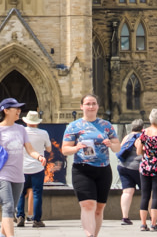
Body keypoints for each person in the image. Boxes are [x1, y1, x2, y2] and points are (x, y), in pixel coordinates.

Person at [60, 95, 121, 237]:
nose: (91, 106)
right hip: (82, 169)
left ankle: (94, 234)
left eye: (94, 103)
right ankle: (90, 235)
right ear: (82, 107)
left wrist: (111, 144)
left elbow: (117, 147)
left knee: (99, 208)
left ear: (98, 106)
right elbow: (64, 150)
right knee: (88, 205)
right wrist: (76, 147)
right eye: (88, 104)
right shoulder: (73, 126)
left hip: (103, 170)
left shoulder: (106, 125)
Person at [0, 99, 46, 237]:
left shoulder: (21, 129)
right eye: (16, 108)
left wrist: (38, 157)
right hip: (3, 176)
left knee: (10, 208)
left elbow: (30, 149)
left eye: (20, 108)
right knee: (8, 208)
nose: (19, 110)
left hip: (19, 176)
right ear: (6, 110)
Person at [135, 110, 157, 233]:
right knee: (156, 196)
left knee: (145, 195)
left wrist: (147, 150)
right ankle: (154, 224)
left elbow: (138, 152)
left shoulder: (143, 133)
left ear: (150, 119)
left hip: (145, 166)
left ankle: (143, 224)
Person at [18, 111, 50, 229]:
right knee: (37, 194)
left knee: (20, 193)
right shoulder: (43, 133)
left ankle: (20, 216)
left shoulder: (21, 132)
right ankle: (37, 220)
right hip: (37, 166)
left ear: (26, 121)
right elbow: (49, 148)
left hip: (22, 167)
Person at [116, 120, 145, 227]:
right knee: (147, 191)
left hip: (122, 166)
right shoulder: (142, 137)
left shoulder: (127, 137)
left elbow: (120, 149)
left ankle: (125, 217)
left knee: (127, 192)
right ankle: (153, 215)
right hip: (137, 167)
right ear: (143, 128)